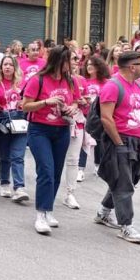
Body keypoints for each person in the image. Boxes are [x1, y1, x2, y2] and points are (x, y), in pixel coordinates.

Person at [21, 46, 83, 235]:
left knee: (56, 172)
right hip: (40, 130)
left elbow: (76, 101)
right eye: (68, 60)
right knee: (46, 170)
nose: (72, 64)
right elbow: (24, 106)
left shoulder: (71, 81)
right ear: (58, 60)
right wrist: (45, 102)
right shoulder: (37, 80)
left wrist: (72, 108)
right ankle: (40, 214)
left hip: (62, 129)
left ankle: (48, 210)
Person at [94, 51, 140, 244]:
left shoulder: (138, 86)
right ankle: (126, 226)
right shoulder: (113, 86)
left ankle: (103, 212)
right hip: (120, 139)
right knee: (124, 183)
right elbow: (106, 118)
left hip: (137, 140)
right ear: (132, 67)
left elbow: (137, 111)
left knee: (126, 180)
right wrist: (118, 144)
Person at [0, 54, 29, 203]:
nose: (7, 67)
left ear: (15, 67)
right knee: (5, 154)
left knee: (18, 156)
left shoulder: (23, 83)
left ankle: (19, 187)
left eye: (10, 64)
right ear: (1, 67)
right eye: (5, 64)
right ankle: (4, 183)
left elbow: (29, 101)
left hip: (20, 119)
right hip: (3, 119)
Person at [61, 50, 91, 210]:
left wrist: (83, 101)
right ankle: (46, 190)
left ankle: (70, 193)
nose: (76, 62)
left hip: (76, 122)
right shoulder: (55, 79)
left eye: (77, 59)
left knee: (73, 159)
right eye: (73, 59)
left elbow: (85, 102)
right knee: (51, 161)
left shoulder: (79, 80)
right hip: (55, 123)